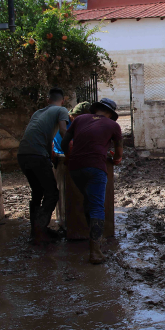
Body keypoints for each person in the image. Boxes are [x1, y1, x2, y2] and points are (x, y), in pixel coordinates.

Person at [62, 97, 123, 264]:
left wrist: (69, 157)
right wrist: (116, 159)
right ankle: (95, 251)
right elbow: (119, 152)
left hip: (75, 168)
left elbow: (65, 142)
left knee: (89, 201)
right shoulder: (113, 125)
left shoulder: (79, 119)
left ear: (96, 109)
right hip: (96, 168)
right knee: (97, 206)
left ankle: (95, 238)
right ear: (111, 113)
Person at [17, 88, 69, 244]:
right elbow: (63, 131)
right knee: (52, 193)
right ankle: (40, 231)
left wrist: (50, 155)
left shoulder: (37, 113)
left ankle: (35, 231)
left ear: (47, 100)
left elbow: (42, 137)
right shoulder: (61, 110)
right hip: (37, 155)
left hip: (23, 155)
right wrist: (71, 152)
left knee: (38, 192)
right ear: (63, 100)